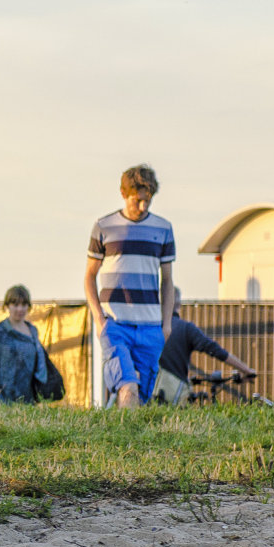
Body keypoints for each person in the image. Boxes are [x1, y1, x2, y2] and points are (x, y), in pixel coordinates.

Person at [84, 164, 176, 410]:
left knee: (141, 398)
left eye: (148, 201)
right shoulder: (103, 227)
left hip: (150, 327)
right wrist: (99, 319)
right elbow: (89, 276)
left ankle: (125, 441)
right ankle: (126, 445)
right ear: (124, 194)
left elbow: (167, 281)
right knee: (127, 386)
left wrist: (165, 325)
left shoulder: (163, 229)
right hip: (115, 325)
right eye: (138, 200)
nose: (143, 206)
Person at [153, 288, 257, 405]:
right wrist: (245, 369)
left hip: (148, 391)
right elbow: (215, 350)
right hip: (174, 394)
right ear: (178, 305)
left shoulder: (149, 328)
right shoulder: (186, 329)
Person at [0, 285, 48, 404]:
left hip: (28, 398)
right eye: (15, 305)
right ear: (7, 306)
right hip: (3, 400)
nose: (20, 309)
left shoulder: (33, 331)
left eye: (24, 305)